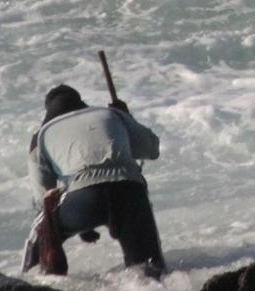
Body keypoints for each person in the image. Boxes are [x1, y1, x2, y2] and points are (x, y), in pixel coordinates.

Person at [21, 84, 165, 278]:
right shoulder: (112, 114)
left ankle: (31, 285)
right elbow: (151, 150)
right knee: (149, 271)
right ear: (81, 104)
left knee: (41, 228)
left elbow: (44, 199)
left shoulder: (41, 136)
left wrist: (81, 219)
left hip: (83, 201)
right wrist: (128, 118)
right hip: (130, 194)